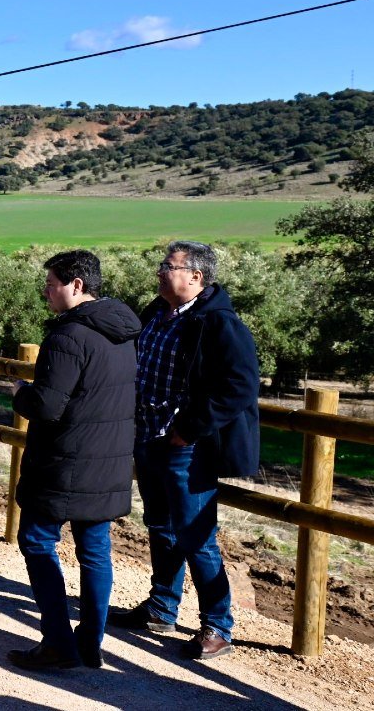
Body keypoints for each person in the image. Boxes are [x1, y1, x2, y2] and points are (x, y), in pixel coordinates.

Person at [108, 240, 261, 661]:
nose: (160, 271)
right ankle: (161, 609)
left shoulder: (219, 323)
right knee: (160, 526)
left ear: (196, 276)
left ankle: (218, 626)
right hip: (148, 438)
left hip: (185, 448)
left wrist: (189, 429)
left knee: (197, 537)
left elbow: (240, 385)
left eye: (168, 266)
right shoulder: (156, 312)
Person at [8, 250, 139, 671]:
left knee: (37, 541)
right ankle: (89, 643)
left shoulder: (68, 336)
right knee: (95, 551)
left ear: (76, 285)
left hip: (64, 461)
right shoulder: (124, 333)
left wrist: (21, 394)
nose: (45, 292)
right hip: (109, 460)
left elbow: (47, 406)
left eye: (51, 284)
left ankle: (57, 644)